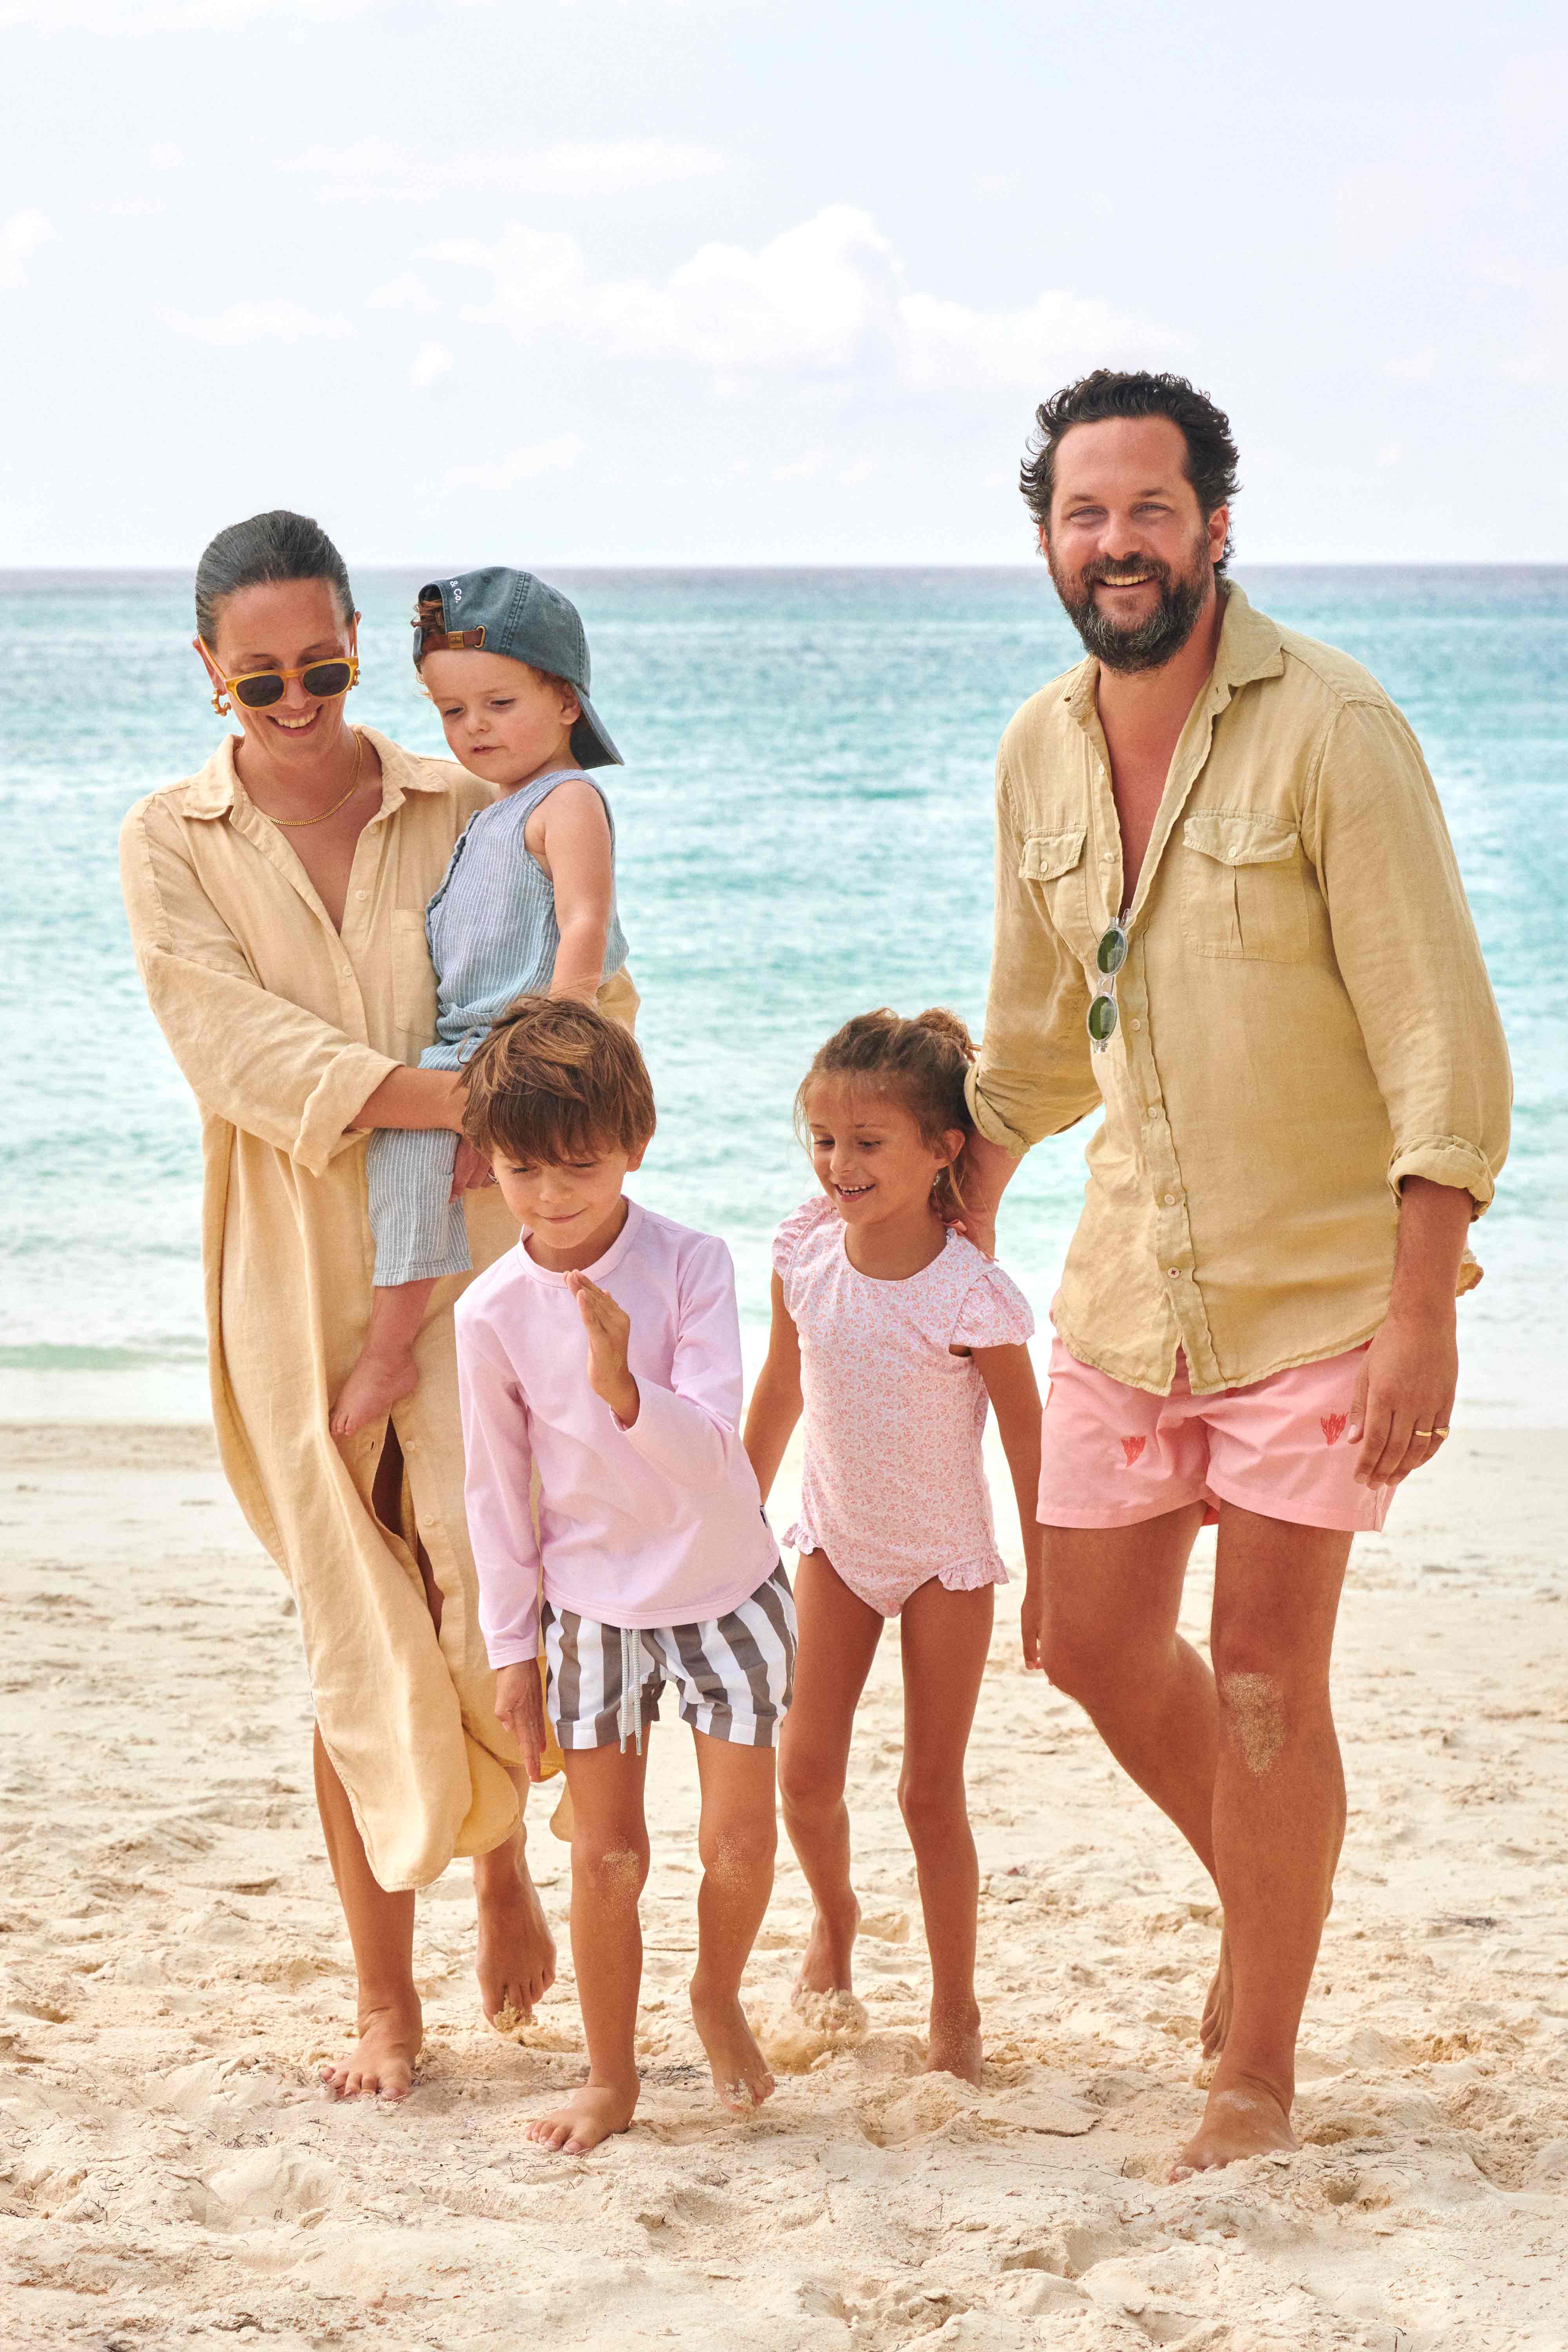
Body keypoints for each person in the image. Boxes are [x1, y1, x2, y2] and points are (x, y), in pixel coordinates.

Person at [958, 371, 1512, 2173]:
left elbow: (1439, 1038)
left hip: (1322, 1298)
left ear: (1212, 526)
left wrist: (1422, 1306)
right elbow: (1032, 1047)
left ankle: (1251, 2075)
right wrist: (935, 1239)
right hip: (1129, 1286)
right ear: (1047, 537)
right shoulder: (1038, 748)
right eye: (1080, 512)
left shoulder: (1333, 731)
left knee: (1263, 1672)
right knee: (1085, 1641)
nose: (1113, 541)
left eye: (1145, 507)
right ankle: (1268, 1901)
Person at [120, 512, 561, 2103]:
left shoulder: (467, 797)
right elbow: (222, 1042)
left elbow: (578, 981)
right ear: (208, 674)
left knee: (486, 1566)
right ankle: (387, 2001)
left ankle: (499, 1854)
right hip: (286, 1255)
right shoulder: (172, 837)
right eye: (259, 681)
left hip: (479, 1233)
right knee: (349, 1606)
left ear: (361, 644)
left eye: (323, 666)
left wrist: (524, 1128)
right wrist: (438, 1096)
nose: (296, 702)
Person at [454, 996, 795, 2155]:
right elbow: (498, 1500)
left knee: (741, 1843)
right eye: (521, 1171)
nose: (550, 1198)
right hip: (594, 1605)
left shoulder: (693, 1265)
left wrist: (622, 1389)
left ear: (634, 1145)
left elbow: (718, 1465)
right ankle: (610, 2080)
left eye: (580, 1169)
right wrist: (512, 1653)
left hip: (726, 1585)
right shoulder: (491, 1312)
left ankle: (713, 1991)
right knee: (604, 1855)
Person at [744, 1009, 1042, 2086]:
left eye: (869, 1144)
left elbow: (1025, 1437)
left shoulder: (970, 1292)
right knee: (804, 1769)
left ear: (941, 1152)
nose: (840, 1164)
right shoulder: (802, 1254)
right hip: (834, 1543)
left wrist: (1044, 1577)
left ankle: (955, 2002)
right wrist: (739, 1513)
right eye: (824, 1139)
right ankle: (834, 1921)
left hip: (943, 1563)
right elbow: (782, 1386)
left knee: (928, 1791)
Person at [330, 567, 636, 1439]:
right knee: (407, 1162)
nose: (474, 730)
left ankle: (390, 1351)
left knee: (415, 1155)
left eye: (499, 704)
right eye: (452, 713)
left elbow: (582, 926)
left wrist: (536, 1070)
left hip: (518, 1047)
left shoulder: (567, 801)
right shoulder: (490, 814)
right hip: (470, 1043)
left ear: (567, 701)